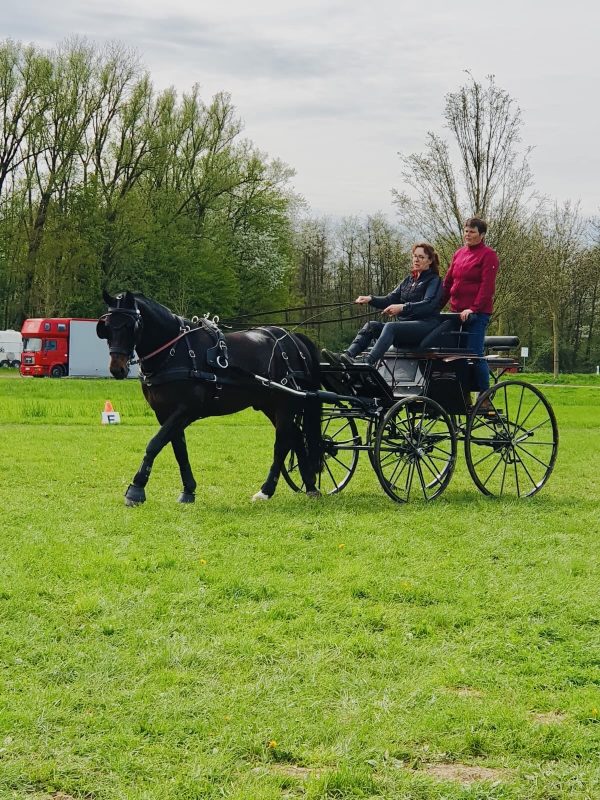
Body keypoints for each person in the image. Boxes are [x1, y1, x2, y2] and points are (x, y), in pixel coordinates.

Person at [323, 243, 443, 367]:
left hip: (426, 325)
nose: (416, 260)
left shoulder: (435, 281)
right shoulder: (408, 280)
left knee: (391, 326)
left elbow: (428, 304)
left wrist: (402, 307)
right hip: (405, 327)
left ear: (430, 260)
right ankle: (347, 356)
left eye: (421, 257)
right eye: (414, 256)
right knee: (371, 326)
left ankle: (368, 361)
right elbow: (390, 299)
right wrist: (370, 299)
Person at [441, 217, 499, 397]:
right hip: (456, 312)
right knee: (452, 354)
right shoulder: (458, 254)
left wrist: (473, 308)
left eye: (472, 232)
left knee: (474, 353)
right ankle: (461, 393)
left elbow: (487, 286)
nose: (468, 234)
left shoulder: (488, 255)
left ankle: (484, 395)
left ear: (481, 235)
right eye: (466, 231)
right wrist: (435, 306)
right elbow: (448, 282)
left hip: (477, 314)